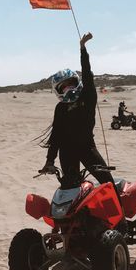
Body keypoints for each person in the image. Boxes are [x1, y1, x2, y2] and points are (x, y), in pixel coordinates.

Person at [39, 33, 116, 189]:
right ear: (58, 90)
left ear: (78, 83)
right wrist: (49, 161)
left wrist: (82, 48)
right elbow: (56, 136)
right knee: (70, 190)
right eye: (64, 87)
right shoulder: (60, 108)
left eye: (71, 84)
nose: (69, 89)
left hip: (87, 148)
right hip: (66, 152)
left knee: (108, 184)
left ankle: (119, 213)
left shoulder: (87, 98)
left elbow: (87, 74)